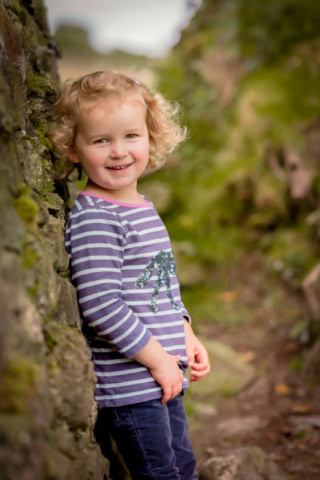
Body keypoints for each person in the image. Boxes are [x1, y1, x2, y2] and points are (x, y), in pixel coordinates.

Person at [50, 71, 210, 480]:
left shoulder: (140, 206)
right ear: (73, 148)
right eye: (101, 140)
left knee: (183, 467)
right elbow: (102, 306)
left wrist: (186, 333)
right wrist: (159, 361)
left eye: (131, 136)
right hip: (133, 388)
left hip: (164, 377)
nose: (119, 151)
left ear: (151, 137)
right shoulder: (97, 220)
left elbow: (161, 286)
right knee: (161, 475)